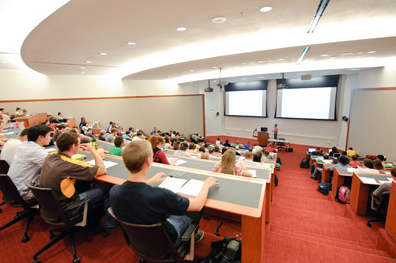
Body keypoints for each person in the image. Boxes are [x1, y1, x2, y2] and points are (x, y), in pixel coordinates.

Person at [110, 140, 219, 243]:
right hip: (166, 238)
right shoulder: (161, 195)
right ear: (148, 161)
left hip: (139, 240)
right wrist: (205, 185)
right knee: (195, 210)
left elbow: (134, 191)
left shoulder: (115, 191)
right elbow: (198, 205)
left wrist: (149, 181)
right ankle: (192, 236)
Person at [39, 132, 117, 230]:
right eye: (78, 144)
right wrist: (93, 150)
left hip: (50, 206)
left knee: (82, 181)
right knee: (108, 187)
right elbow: (102, 170)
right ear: (73, 147)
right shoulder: (69, 165)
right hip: (69, 208)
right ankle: (110, 225)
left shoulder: (50, 156)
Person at [8, 124, 53, 199]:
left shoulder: (24, 145)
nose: (50, 138)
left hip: (13, 188)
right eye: (49, 135)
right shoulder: (35, 151)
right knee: (57, 182)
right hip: (25, 191)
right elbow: (55, 165)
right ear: (40, 137)